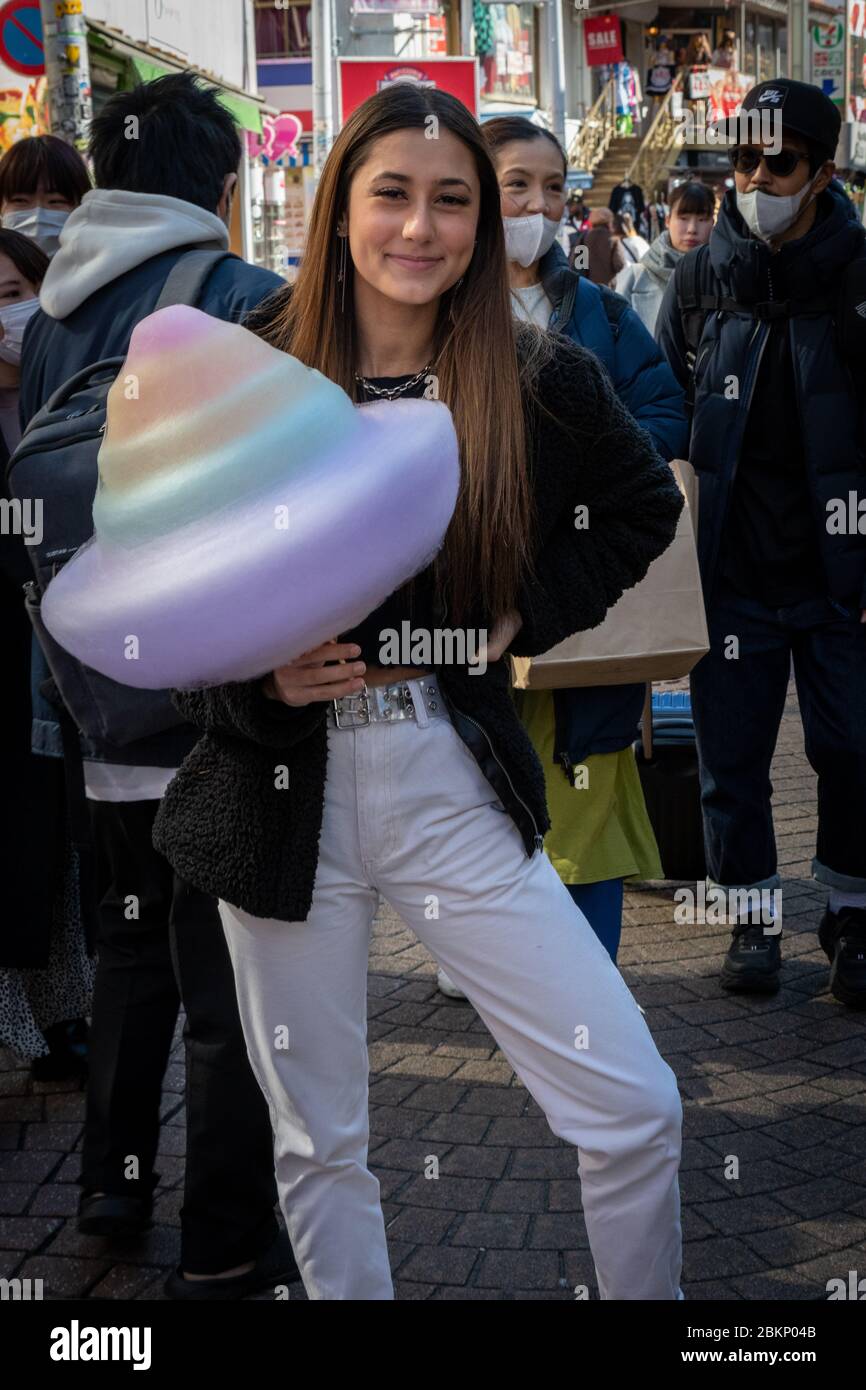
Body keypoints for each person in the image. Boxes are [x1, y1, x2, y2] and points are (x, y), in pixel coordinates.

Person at [153, 83, 686, 1302]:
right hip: (278, 799)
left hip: (448, 779)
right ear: (338, 202)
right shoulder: (245, 376)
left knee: (633, 1106)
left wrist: (516, 617)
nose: (420, 227)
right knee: (317, 1139)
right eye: (389, 192)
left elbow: (640, 506)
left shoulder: (530, 376)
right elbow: (166, 617)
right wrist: (260, 672)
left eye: (454, 200)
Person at [20, 73, 296, 1299]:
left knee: (132, 957)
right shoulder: (245, 296)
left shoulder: (51, 313)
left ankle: (109, 1187)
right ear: (224, 188)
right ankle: (228, 1237)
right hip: (219, 710)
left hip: (90, 701)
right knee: (230, 984)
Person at [656, 79, 866, 1007]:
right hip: (731, 572)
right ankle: (749, 916)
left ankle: (852, 919)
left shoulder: (860, 276)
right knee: (730, 758)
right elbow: (661, 411)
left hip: (842, 575)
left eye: (777, 163)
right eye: (741, 160)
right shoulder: (700, 280)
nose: (754, 179)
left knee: (853, 750)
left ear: (823, 172)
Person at [480, 113, 686, 969]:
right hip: (478, 614)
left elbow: (667, 413)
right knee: (484, 803)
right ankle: (499, 970)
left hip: (589, 613)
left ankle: (592, 983)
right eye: (515, 186)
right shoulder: (430, 311)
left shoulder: (601, 310)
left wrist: (576, 469)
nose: (538, 204)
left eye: (554, 187)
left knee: (590, 803)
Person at [0, 229, 94, 1080]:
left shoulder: (62, 407)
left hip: (57, 670)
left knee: (54, 856)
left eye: (12, 294)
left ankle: (64, 1016)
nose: (4, 316)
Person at [616, 181, 715, 334]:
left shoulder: (723, 276)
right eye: (683, 218)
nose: (692, 229)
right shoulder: (635, 277)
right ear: (668, 220)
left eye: (702, 220)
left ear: (712, 223)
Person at [0, 134, 91, 257]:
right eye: (20, 200)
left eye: (55, 201)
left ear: (80, 205)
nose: (37, 217)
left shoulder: (103, 272)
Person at [581, 205, 626, 285]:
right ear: (609, 222)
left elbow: (578, 264)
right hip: (607, 288)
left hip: (588, 286)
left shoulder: (584, 238)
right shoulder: (613, 239)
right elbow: (620, 264)